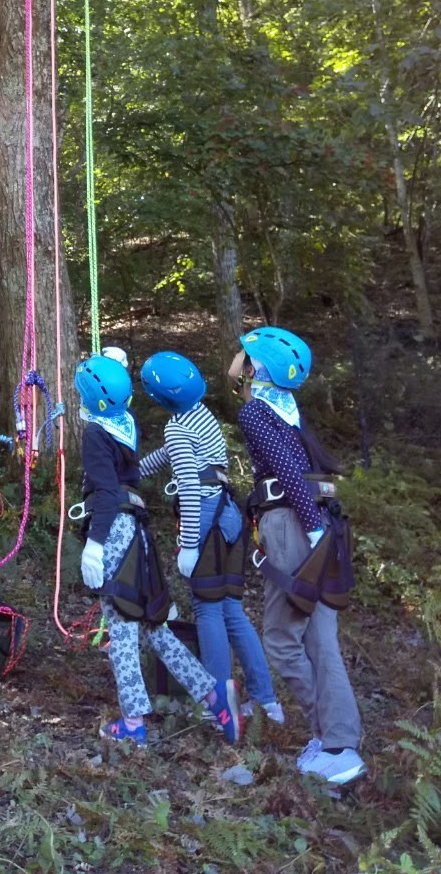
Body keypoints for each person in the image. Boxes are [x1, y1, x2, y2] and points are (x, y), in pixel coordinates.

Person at [75, 352, 241, 746]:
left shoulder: (96, 435)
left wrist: (94, 546)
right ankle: (213, 695)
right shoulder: (124, 423)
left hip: (113, 529)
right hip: (137, 531)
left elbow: (106, 490)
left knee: (122, 624)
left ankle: (133, 722)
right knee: (154, 626)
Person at [230, 327, 365, 785]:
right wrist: (319, 527)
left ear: (257, 367)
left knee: (282, 638)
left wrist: (308, 527)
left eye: (244, 355)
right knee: (321, 639)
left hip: (293, 525)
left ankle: (325, 730)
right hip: (318, 522)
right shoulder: (287, 410)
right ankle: (341, 746)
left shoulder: (254, 412)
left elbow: (287, 470)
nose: (237, 359)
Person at [138, 350, 282, 733]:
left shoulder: (176, 426)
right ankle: (265, 699)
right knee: (231, 609)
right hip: (228, 513)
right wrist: (132, 470)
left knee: (207, 609)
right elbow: (172, 456)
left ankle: (219, 704)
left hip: (204, 516)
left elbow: (186, 481)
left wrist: (187, 545)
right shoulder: (199, 415)